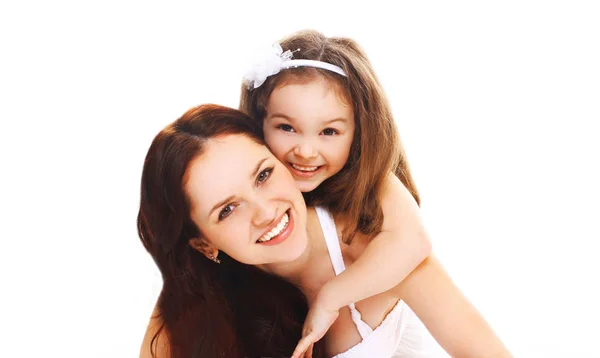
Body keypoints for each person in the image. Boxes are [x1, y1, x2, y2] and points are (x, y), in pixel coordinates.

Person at [138, 104, 510, 357]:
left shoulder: (376, 245)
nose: (266, 212)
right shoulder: (192, 310)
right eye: (229, 209)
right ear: (203, 244)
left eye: (264, 175)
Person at [239, 29, 432, 355]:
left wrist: (331, 297)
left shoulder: (373, 183)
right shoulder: (255, 202)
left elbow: (415, 242)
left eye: (328, 131)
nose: (305, 150)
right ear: (260, 122)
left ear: (358, 133)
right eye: (287, 127)